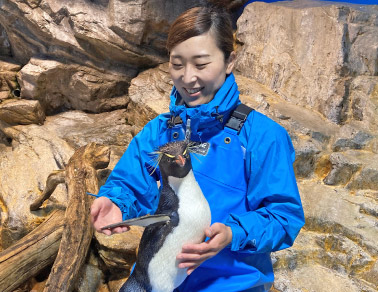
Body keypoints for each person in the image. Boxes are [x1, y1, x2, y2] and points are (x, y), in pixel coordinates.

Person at [90, 3, 305, 292]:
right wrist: (116, 202)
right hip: (158, 279)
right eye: (177, 64)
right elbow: (129, 182)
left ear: (229, 61)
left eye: (201, 64)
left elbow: (283, 216)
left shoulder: (262, 136)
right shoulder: (163, 130)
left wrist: (233, 233)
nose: (187, 77)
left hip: (232, 284)